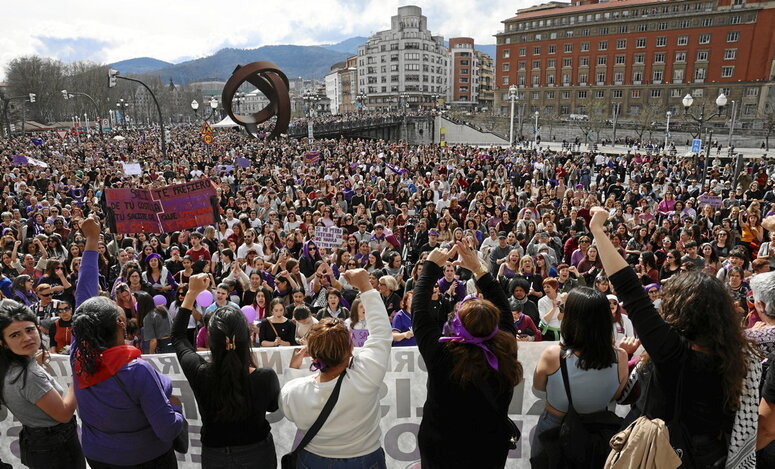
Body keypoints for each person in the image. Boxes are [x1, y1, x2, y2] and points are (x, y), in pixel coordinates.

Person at [589, 206, 757, 467]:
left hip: (662, 452)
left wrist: (597, 230)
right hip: (711, 454)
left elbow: (630, 290)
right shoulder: (738, 352)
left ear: (677, 307)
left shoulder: (670, 348)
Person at [71, 218, 185, 468]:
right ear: (121, 324)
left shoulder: (79, 353)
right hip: (147, 458)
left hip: (99, 457)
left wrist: (91, 241)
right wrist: (177, 411)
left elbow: (84, 294)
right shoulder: (137, 371)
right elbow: (167, 430)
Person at [412, 239, 523, 468]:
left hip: (440, 450)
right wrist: (479, 269)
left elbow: (420, 313)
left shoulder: (440, 353)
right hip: (489, 448)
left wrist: (430, 267)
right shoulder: (506, 347)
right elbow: (503, 307)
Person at [280, 268, 392, 467]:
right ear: (351, 350)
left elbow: (289, 403)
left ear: (312, 355)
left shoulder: (294, 391)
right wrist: (366, 287)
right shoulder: (367, 375)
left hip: (314, 460)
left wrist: (294, 371)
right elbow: (382, 334)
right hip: (366, 459)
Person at [172, 273, 280, 468]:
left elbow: (178, 337)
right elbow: (273, 406)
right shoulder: (264, 377)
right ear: (246, 337)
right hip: (257, 454)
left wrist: (191, 293)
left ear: (210, 339)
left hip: (216, 456)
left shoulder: (200, 372)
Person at [531, 286, 628, 461]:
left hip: (555, 427)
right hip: (598, 432)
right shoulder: (620, 356)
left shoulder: (553, 355)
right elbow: (616, 395)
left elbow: (538, 388)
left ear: (571, 318)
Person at [0, 301, 85, 469]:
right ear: (3, 343)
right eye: (15, 335)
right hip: (56, 449)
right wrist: (77, 376)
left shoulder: (12, 367)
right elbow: (64, 414)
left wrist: (33, 362)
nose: (26, 338)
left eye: (30, 330)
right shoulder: (29, 376)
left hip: (38, 444)